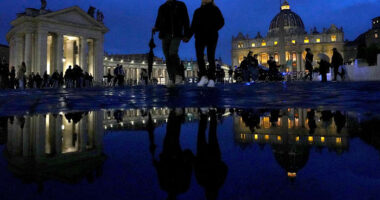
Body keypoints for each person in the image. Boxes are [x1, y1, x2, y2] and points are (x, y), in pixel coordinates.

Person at [152, 109, 194, 200]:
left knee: (173, 136)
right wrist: (157, 164)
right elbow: (160, 171)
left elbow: (189, 170)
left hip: (173, 157)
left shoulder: (182, 187)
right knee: (171, 135)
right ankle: (175, 115)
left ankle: (176, 115)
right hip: (171, 157)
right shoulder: (166, 186)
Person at [185, 0, 224, 87]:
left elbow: (221, 22)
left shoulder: (215, 9)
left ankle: (211, 79)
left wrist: (213, 29)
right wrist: (188, 36)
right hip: (199, 36)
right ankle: (203, 76)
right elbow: (193, 26)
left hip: (211, 36)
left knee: (211, 57)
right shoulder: (197, 11)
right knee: (199, 57)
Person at [153, 0, 190, 86]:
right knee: (167, 57)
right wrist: (156, 28)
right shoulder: (162, 7)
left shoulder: (181, 5)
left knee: (172, 53)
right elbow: (158, 21)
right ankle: (171, 78)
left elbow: (186, 20)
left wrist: (187, 35)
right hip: (164, 35)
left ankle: (178, 74)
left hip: (176, 34)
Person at [195, 108, 228, 200]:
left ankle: (211, 113)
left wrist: (217, 163)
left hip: (213, 156)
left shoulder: (218, 182)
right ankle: (205, 114)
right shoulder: (202, 181)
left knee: (212, 133)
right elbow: (196, 167)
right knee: (203, 133)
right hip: (204, 155)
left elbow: (225, 168)